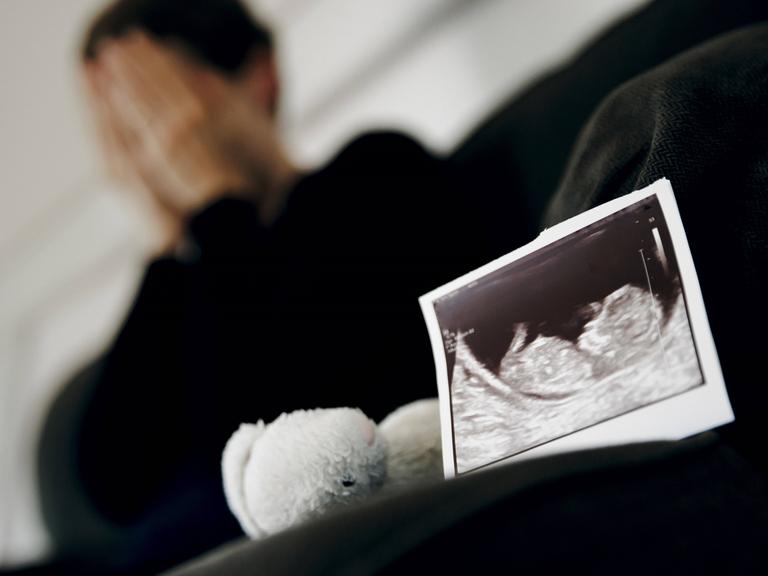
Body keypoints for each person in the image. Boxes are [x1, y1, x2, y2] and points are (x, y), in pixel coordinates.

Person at [34, 0, 768, 574]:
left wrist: (220, 202)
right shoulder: (184, 278)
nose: (149, 146)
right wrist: (171, 246)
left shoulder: (374, 176)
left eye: (159, 107)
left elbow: (298, 411)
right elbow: (110, 484)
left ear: (257, 76)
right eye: (122, 130)